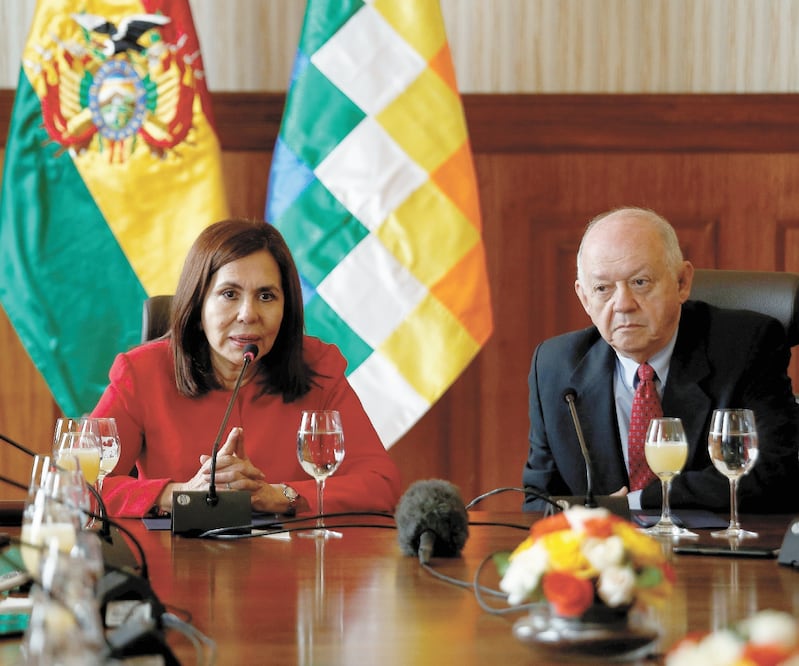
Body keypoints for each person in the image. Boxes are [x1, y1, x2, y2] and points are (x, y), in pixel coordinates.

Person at [92, 218, 402, 518]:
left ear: (286, 308)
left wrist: (278, 496)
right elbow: (74, 481)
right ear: (197, 305)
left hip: (293, 564)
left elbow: (381, 484)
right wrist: (181, 494)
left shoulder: (318, 366)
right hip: (175, 562)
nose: (248, 314)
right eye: (229, 294)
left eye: (266, 296)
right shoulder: (142, 372)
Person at [522, 207, 799, 513]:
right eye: (603, 289)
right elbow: (539, 501)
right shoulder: (554, 366)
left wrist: (635, 503)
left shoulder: (747, 346)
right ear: (584, 297)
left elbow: (772, 473)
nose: (623, 305)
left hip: (718, 552)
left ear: (682, 282)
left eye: (640, 282)